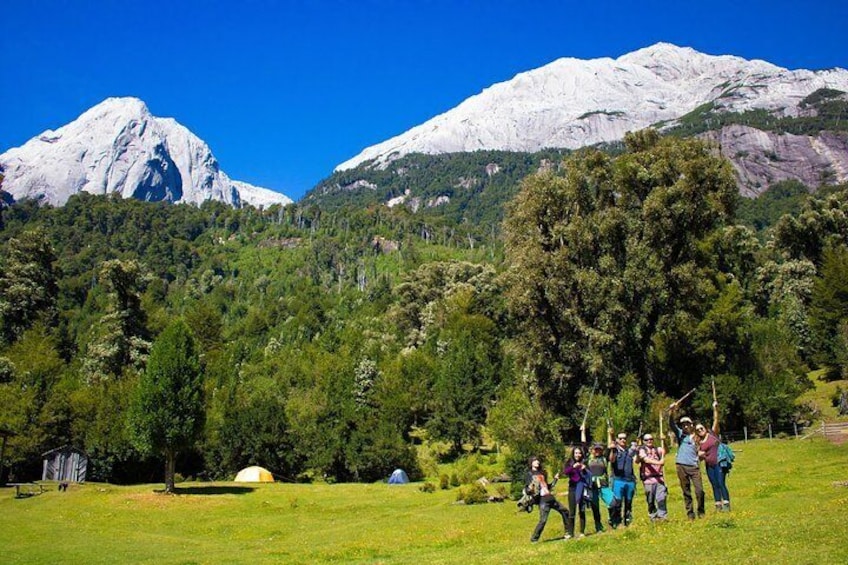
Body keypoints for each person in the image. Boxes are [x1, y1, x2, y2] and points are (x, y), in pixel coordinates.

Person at [669, 406, 705, 520]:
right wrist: (671, 411)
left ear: (691, 425)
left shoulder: (697, 437)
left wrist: (701, 454)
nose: (685, 426)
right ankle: (690, 514)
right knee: (686, 491)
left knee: (699, 491)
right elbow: (671, 424)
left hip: (694, 467)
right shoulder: (680, 434)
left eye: (687, 424)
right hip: (681, 466)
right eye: (683, 425)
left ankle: (701, 511)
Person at [525, 456, 569, 543]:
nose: (537, 462)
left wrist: (555, 479)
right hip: (542, 500)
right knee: (543, 520)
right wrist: (530, 490)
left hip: (550, 497)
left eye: (538, 460)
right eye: (535, 460)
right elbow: (527, 489)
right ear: (531, 463)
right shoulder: (529, 474)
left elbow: (548, 486)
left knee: (565, 511)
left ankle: (568, 532)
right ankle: (534, 539)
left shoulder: (543, 472)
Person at [696, 401, 731, 511]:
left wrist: (715, 408)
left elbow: (716, 420)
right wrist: (699, 454)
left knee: (721, 483)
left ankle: (726, 504)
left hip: (719, 463)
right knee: (714, 484)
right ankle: (718, 505)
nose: (700, 430)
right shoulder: (699, 442)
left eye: (701, 428)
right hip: (709, 465)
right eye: (698, 430)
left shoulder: (712, 434)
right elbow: (698, 456)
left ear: (705, 428)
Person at [557, 446, 592, 539]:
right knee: (572, 511)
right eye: (576, 453)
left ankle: (582, 532)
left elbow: (589, 475)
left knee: (582, 510)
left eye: (579, 453)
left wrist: (584, 469)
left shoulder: (584, 462)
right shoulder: (569, 462)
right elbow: (565, 472)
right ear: (573, 454)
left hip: (582, 488)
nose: (578, 455)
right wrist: (573, 467)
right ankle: (570, 532)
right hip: (572, 488)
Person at [607, 427, 638, 528]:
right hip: (618, 480)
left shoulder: (630, 450)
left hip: (630, 481)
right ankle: (617, 521)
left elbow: (637, 460)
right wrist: (612, 448)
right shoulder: (615, 450)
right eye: (620, 438)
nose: (623, 440)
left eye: (624, 438)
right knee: (618, 503)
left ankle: (628, 520)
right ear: (617, 440)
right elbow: (611, 460)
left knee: (628, 502)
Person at [636, 432, 668, 521]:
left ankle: (662, 517)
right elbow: (646, 460)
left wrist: (664, 441)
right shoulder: (642, 450)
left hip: (659, 478)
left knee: (661, 498)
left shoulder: (657, 449)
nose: (649, 441)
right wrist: (659, 463)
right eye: (647, 440)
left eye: (651, 439)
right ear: (643, 441)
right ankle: (653, 516)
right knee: (650, 500)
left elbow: (666, 451)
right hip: (648, 480)